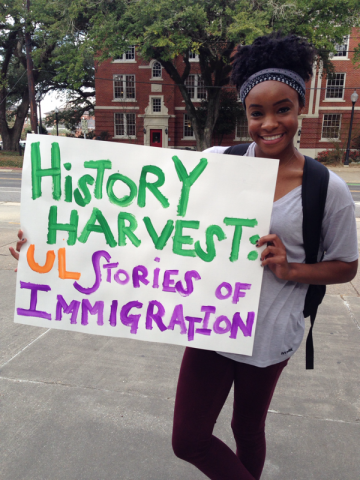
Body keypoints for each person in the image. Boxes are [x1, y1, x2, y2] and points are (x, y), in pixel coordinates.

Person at [171, 33, 358, 479]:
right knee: (188, 439)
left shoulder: (325, 188)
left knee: (246, 428)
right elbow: (147, 219)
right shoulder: (219, 162)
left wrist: (291, 268)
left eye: (282, 109)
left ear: (299, 108)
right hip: (213, 323)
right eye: (257, 112)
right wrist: (56, 246)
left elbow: (347, 266)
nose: (269, 123)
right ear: (246, 114)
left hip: (271, 333)